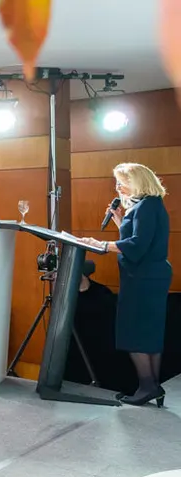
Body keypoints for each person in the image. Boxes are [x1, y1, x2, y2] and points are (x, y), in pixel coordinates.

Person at [81, 163, 172, 407]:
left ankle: (147, 385)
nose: (118, 186)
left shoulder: (146, 206)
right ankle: (152, 385)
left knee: (134, 331)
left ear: (137, 181)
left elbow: (137, 246)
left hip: (142, 278)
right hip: (150, 276)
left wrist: (101, 244)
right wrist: (120, 221)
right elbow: (139, 239)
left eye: (122, 181)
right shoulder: (150, 204)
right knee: (148, 332)